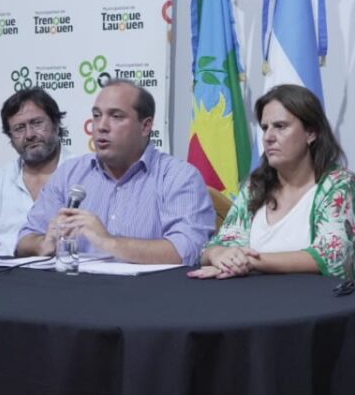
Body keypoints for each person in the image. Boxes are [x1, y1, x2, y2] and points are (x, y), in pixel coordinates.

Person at [16, 80, 213, 266]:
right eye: (97, 115)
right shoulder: (70, 173)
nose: (101, 126)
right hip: (75, 286)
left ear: (145, 126)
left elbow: (188, 251)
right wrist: (45, 244)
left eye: (116, 116)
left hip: (148, 289)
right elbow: (24, 239)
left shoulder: (179, 177)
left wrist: (108, 242)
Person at [190, 84, 355, 280]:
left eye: (280, 126)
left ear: (311, 133)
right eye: (265, 128)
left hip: (318, 297)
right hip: (255, 296)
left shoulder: (339, 184)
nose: (268, 137)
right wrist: (218, 254)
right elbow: (224, 242)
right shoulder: (256, 185)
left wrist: (251, 261)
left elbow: (333, 257)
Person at [0, 88, 67, 257]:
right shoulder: (0, 180)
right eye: (19, 128)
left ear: (56, 124)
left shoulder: (83, 173)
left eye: (37, 123)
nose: (29, 135)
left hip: (64, 270)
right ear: (10, 138)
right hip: (2, 271)